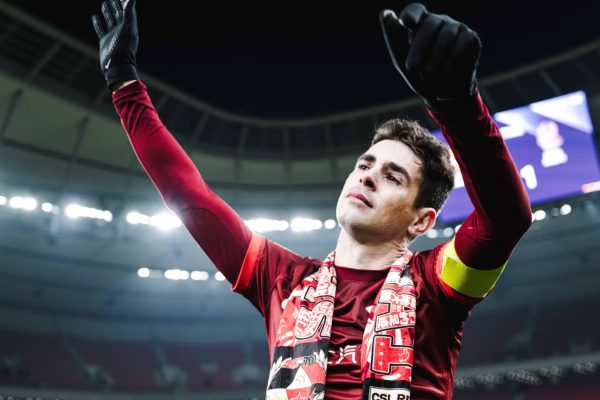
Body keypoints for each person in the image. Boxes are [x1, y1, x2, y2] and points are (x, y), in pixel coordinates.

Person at [92, 1, 532, 399]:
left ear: (421, 221)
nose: (368, 176)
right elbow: (187, 192)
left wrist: (457, 105)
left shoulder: (436, 284)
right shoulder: (281, 280)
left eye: (392, 176)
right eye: (365, 164)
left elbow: (506, 220)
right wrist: (123, 80)